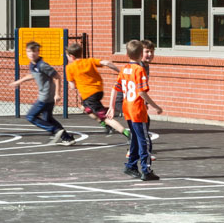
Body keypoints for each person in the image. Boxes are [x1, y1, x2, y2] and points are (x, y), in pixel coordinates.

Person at [112, 39, 163, 181]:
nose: (149, 54)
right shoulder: (139, 69)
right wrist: (156, 106)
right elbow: (141, 92)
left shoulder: (124, 68)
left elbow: (115, 88)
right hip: (137, 109)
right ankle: (146, 170)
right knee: (144, 141)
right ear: (141, 54)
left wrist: (111, 106)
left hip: (127, 107)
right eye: (146, 51)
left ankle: (131, 165)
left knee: (136, 137)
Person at [10, 41, 75, 145]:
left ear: (38, 52)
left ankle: (55, 130)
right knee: (47, 118)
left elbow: (57, 77)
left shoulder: (43, 65)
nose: (31, 54)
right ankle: (67, 138)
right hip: (47, 97)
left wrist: (57, 94)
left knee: (31, 116)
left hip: (45, 97)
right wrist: (19, 81)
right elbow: (33, 75)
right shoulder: (32, 65)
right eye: (29, 51)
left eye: (34, 51)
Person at [64, 42, 129, 139]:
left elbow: (72, 86)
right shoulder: (89, 61)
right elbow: (106, 63)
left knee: (105, 117)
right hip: (98, 91)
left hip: (89, 94)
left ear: (71, 56)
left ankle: (127, 134)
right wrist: (119, 72)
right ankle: (104, 124)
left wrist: (81, 84)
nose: (68, 59)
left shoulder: (69, 68)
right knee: (86, 109)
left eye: (67, 57)